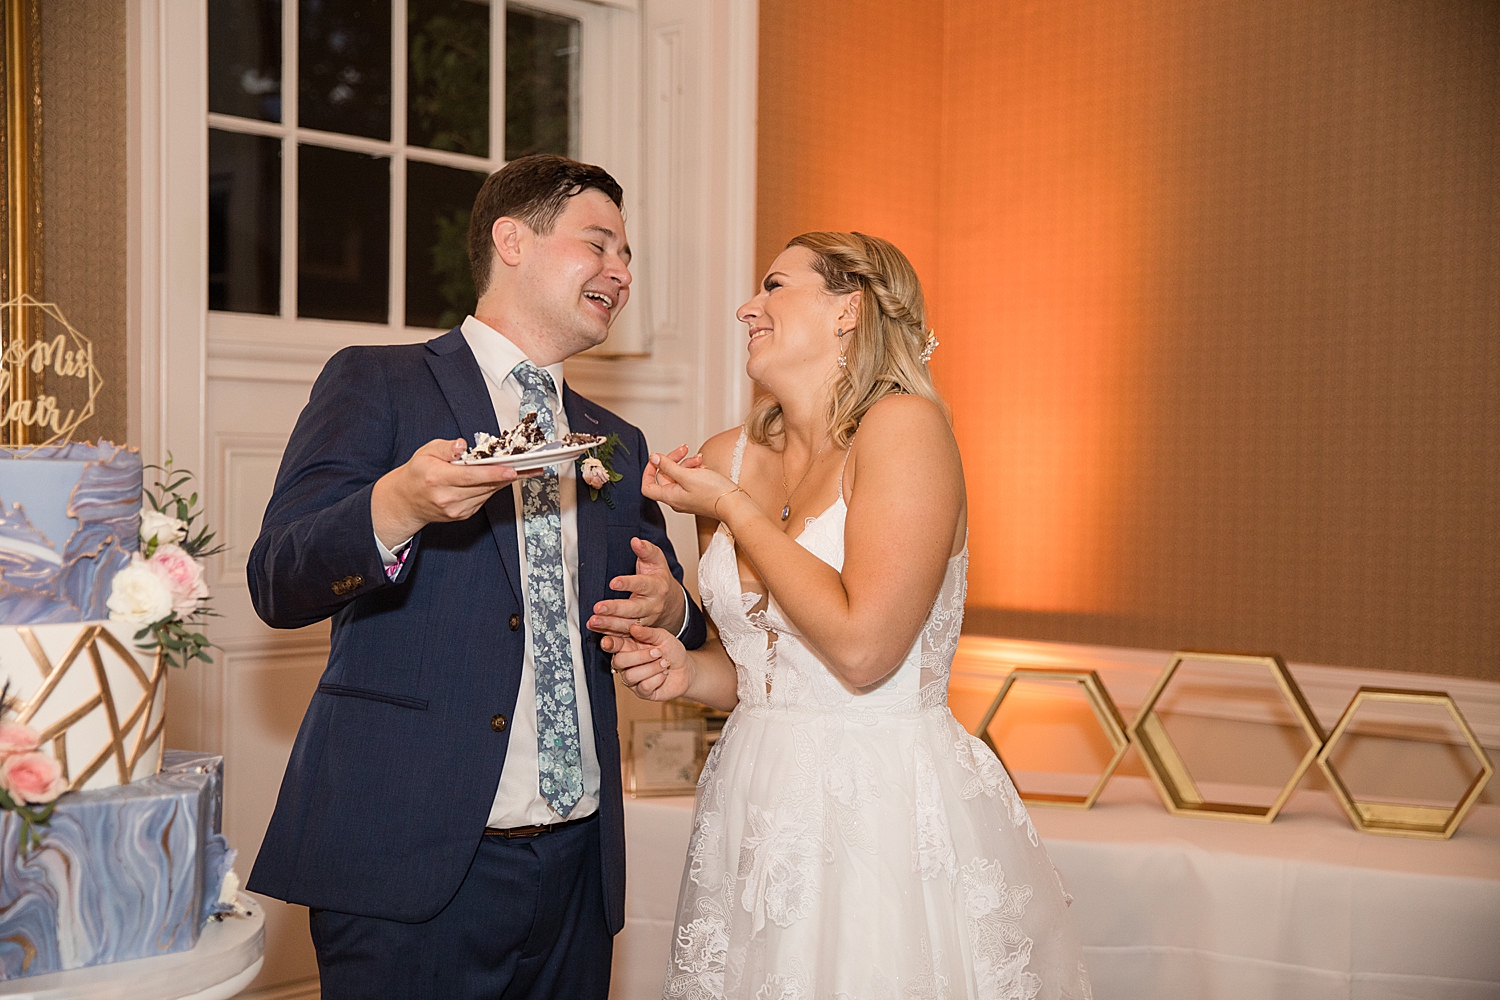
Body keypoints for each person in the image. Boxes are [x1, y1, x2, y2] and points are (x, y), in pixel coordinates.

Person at [245, 154, 708, 1000]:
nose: (622, 271)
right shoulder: (378, 382)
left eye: (629, 255)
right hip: (410, 862)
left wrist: (675, 609)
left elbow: (676, 615)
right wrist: (396, 507)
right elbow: (277, 580)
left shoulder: (617, 440)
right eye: (599, 243)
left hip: (577, 867)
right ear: (512, 240)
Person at [607, 232, 1092, 999]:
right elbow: (768, 674)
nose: (747, 307)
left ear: (849, 310)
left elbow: (864, 650)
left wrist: (732, 510)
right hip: (753, 803)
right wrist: (685, 669)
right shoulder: (727, 457)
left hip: (881, 809)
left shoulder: (905, 430)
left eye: (774, 285)